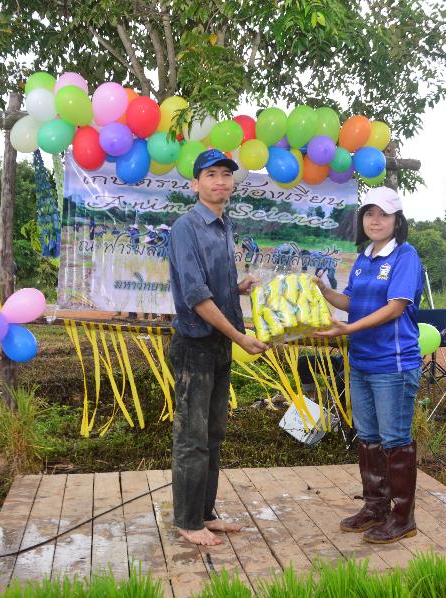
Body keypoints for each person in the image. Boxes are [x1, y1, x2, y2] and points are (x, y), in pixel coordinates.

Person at [167, 149, 268, 546]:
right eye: (211, 175)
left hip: (218, 346)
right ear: (196, 184)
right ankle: (187, 521)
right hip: (194, 346)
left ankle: (204, 514)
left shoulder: (224, 226)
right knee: (191, 437)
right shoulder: (186, 228)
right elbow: (196, 296)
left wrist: (237, 288)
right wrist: (240, 337)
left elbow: (213, 286)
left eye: (226, 174)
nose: (221, 181)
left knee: (213, 434)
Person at [314, 186, 425, 544]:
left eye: (384, 215)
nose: (375, 221)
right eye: (369, 214)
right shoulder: (363, 258)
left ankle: (402, 517)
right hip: (361, 360)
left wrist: (348, 329)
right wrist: (324, 291)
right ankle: (375, 507)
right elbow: (352, 301)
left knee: (395, 439)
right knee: (369, 437)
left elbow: (394, 308)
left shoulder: (405, 256)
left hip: (392, 363)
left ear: (397, 220)